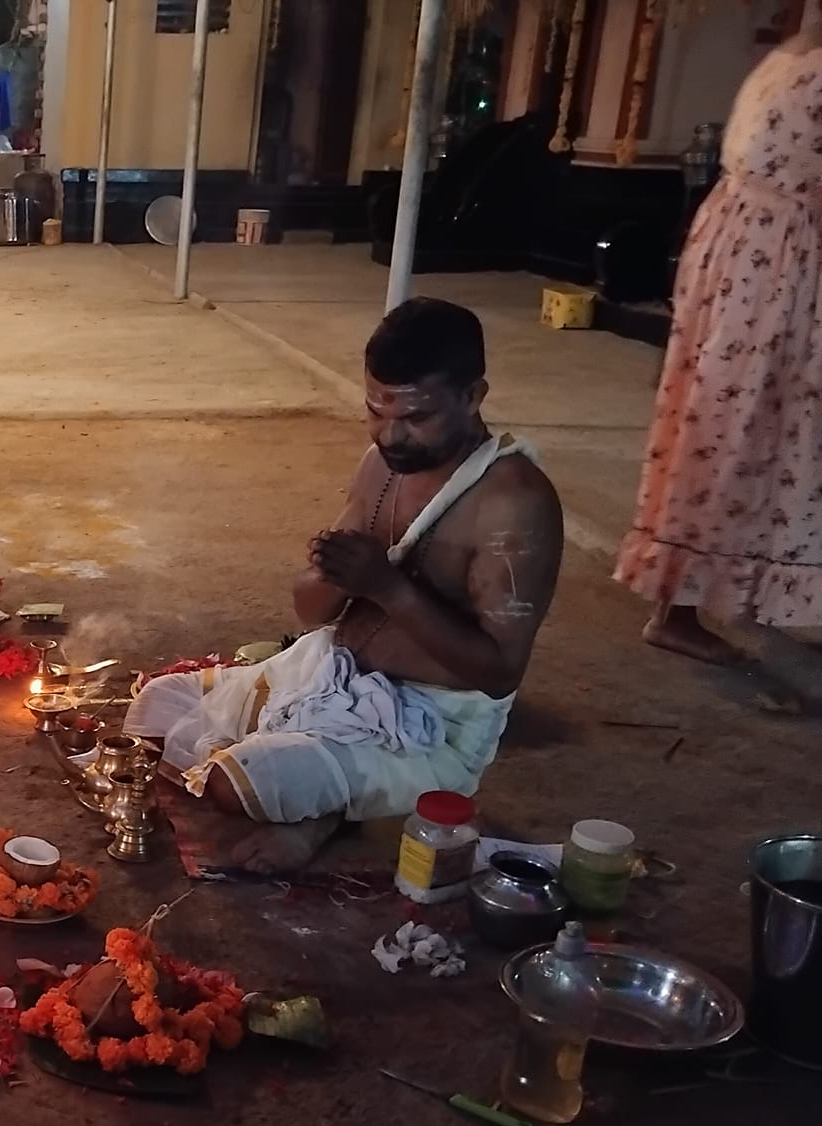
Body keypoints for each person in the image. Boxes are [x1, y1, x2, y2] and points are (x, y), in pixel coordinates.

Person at [128, 299, 564, 874]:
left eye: (416, 417)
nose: (392, 436)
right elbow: (311, 613)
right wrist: (329, 574)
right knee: (156, 706)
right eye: (376, 412)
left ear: (472, 397)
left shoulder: (514, 502)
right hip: (327, 674)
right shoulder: (380, 465)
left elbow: (498, 671)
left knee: (237, 784)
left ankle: (325, 816)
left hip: (426, 728)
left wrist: (388, 588)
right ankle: (320, 780)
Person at [615, 10, 822, 659]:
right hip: (775, 271)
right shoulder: (806, 61)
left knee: (753, 433)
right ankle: (676, 609)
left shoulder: (795, 52)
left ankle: (751, 591)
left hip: (752, 257)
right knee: (736, 433)